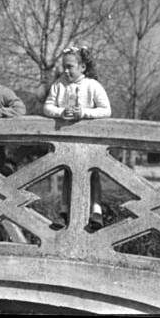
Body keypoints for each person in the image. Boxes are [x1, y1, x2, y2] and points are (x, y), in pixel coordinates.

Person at [43, 45, 111, 229]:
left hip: (90, 140)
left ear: (82, 67)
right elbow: (47, 107)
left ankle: (96, 212)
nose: (66, 70)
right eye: (64, 66)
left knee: (93, 174)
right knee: (68, 174)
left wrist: (84, 113)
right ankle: (65, 211)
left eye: (70, 66)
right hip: (67, 140)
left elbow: (106, 110)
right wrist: (61, 112)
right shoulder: (59, 84)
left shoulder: (92, 86)